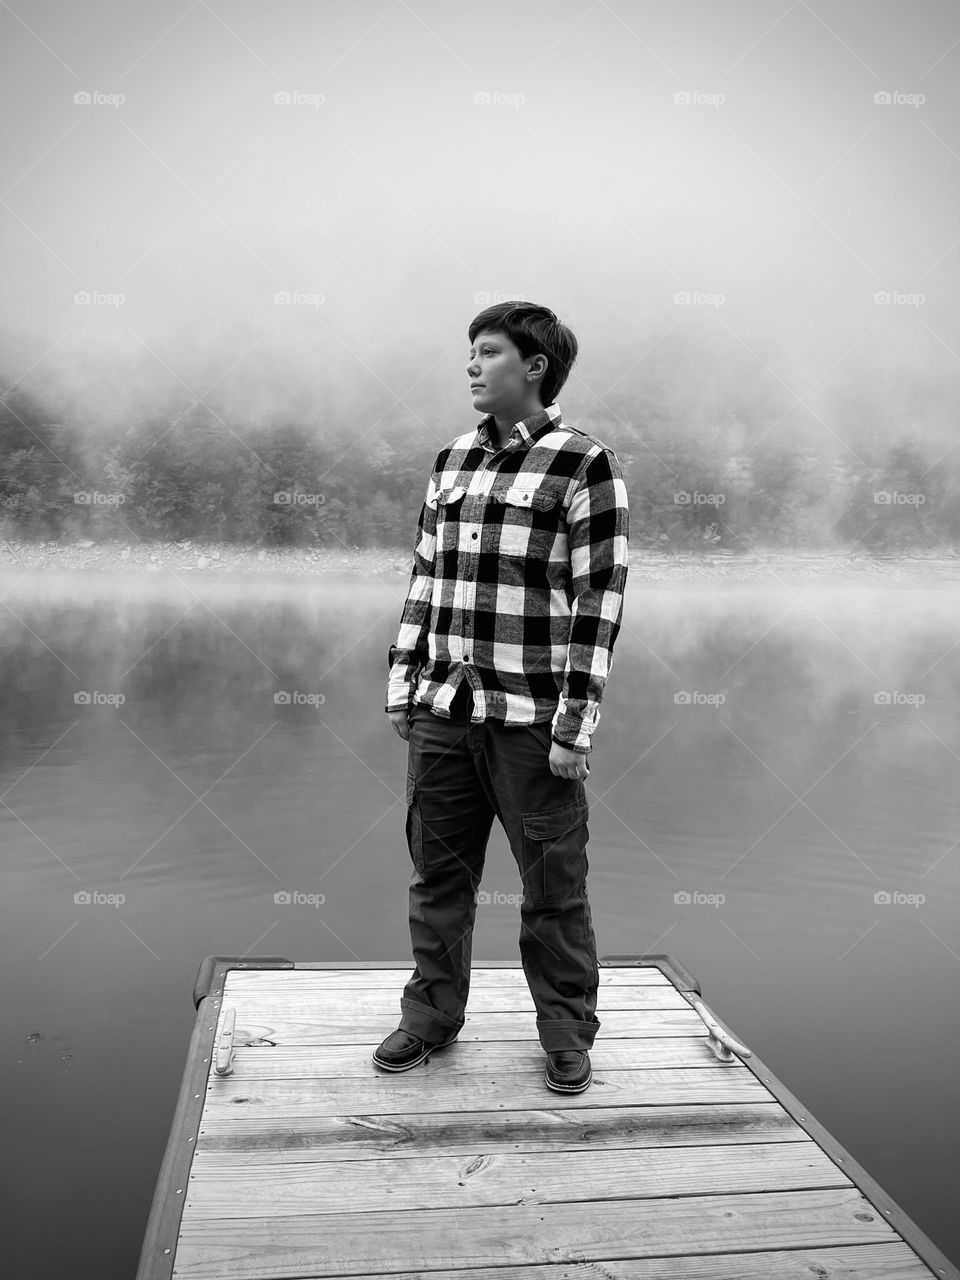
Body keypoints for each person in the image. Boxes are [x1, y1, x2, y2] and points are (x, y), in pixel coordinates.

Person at [374, 300, 629, 1092]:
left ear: (535, 367)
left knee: (553, 888)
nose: (472, 366)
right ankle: (431, 1018)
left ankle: (564, 1031)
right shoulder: (450, 460)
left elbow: (599, 602)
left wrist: (574, 728)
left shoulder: (584, 463)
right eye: (472, 353)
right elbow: (425, 577)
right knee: (437, 880)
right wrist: (403, 686)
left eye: (487, 352)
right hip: (443, 713)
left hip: (533, 725)